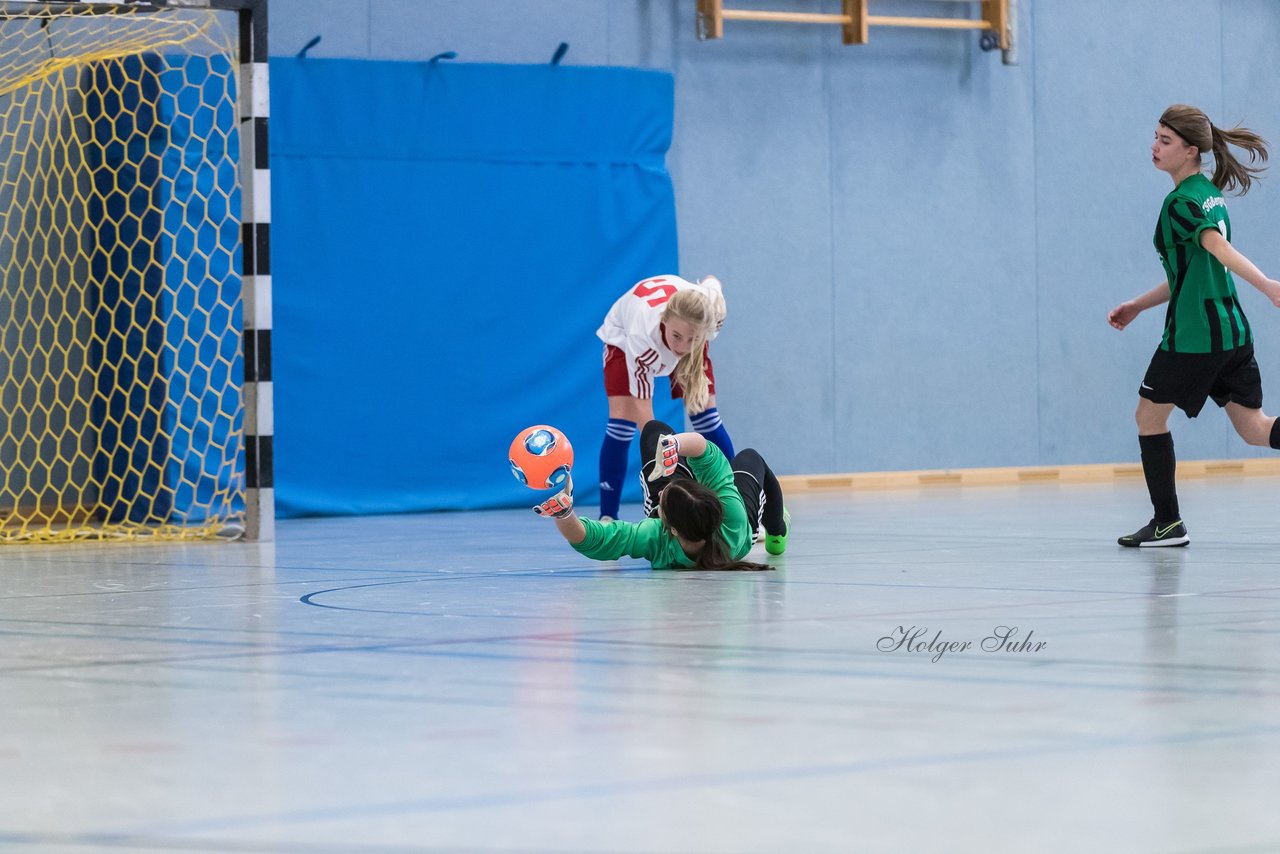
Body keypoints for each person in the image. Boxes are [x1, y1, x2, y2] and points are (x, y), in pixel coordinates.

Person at [1108, 104, 1280, 547]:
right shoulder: (1208, 193)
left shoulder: (1181, 203)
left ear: (1189, 150)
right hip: (1232, 332)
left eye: (1165, 141)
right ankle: (1167, 524)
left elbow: (1215, 248)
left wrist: (1266, 284)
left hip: (1194, 337)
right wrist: (1139, 305)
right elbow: (1189, 272)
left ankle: (1168, 524)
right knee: (1255, 429)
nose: (1154, 147)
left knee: (1148, 417)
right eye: (1156, 137)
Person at [534, 420, 791, 570]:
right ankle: (778, 530)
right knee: (749, 458)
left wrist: (564, 514)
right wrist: (677, 444)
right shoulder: (732, 518)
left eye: (662, 502)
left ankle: (668, 460)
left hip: (691, 517)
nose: (664, 489)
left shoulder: (655, 536)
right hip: (738, 527)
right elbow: (707, 453)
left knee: (654, 430)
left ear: (670, 527)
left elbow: (594, 540)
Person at [596, 274, 735, 521]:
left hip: (690, 322)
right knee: (622, 422)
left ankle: (740, 503)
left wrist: (693, 335)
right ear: (664, 320)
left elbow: (713, 282)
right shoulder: (642, 335)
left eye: (693, 340)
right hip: (623, 338)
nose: (682, 347)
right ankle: (608, 515)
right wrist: (663, 467)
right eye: (677, 337)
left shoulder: (711, 317)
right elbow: (647, 420)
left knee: (706, 416)